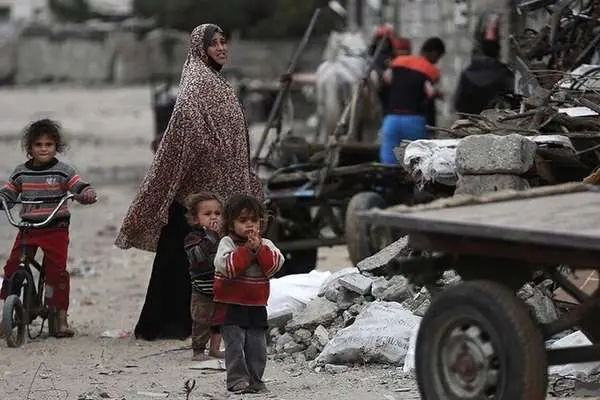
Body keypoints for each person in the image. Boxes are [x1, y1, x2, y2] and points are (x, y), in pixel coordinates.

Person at [114, 24, 263, 341]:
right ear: (200, 48)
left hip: (214, 184)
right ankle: (170, 325)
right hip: (198, 189)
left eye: (224, 42)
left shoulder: (213, 80)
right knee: (185, 254)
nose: (221, 48)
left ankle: (192, 324)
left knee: (199, 254)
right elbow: (187, 127)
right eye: (214, 43)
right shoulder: (198, 82)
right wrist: (213, 155)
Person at [0, 118, 97, 337]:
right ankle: (9, 312)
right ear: (29, 147)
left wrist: (86, 194)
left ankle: (60, 319)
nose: (43, 149)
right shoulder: (20, 173)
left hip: (55, 228)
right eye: (38, 145)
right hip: (28, 228)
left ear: (56, 147)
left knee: (57, 273)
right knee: (13, 267)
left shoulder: (63, 171)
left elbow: (78, 186)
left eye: (48, 145)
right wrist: (3, 198)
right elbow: (9, 191)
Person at [213, 195, 284, 394]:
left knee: (257, 346)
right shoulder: (227, 243)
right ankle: (237, 380)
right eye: (243, 221)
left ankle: (256, 380)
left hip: (256, 304)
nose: (249, 225)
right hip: (231, 304)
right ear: (231, 224)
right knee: (235, 345)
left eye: (254, 220)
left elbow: (274, 266)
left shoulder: (266, 244)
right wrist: (247, 251)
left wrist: (259, 249)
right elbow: (227, 267)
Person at [379, 37, 446, 164]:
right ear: (434, 53)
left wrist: (386, 112)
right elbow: (430, 100)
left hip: (391, 120)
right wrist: (432, 129)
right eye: (438, 57)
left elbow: (382, 89)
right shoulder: (430, 71)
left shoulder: (397, 63)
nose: (436, 61)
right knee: (416, 164)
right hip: (414, 121)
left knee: (388, 165)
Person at [183, 192, 225, 361]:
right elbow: (198, 256)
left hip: (222, 287)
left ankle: (214, 349)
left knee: (220, 320)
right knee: (202, 320)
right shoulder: (193, 238)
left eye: (217, 213)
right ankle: (198, 350)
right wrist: (211, 236)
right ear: (195, 219)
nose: (213, 217)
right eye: (207, 214)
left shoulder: (224, 237)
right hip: (202, 289)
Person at [454, 40, 514, 115]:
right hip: (498, 119)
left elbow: (458, 103)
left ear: (481, 52)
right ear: (498, 53)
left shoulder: (467, 73)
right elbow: (513, 99)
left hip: (470, 118)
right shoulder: (505, 73)